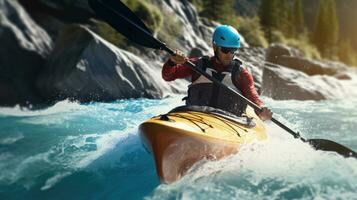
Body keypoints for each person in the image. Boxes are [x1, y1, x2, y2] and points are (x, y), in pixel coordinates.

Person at [162, 25, 272, 121]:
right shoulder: (198, 64)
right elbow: (168, 76)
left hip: (229, 121)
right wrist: (172, 62)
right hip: (195, 115)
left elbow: (253, 95)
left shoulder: (241, 73)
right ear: (214, 46)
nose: (229, 55)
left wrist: (261, 108)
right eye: (225, 50)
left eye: (233, 51)